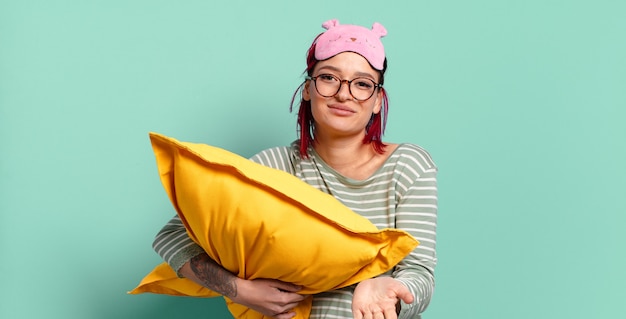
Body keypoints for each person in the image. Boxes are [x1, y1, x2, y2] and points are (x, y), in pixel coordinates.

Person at [152, 19, 438, 319]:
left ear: (378, 100)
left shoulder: (408, 166)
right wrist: (241, 290)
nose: (344, 94)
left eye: (363, 83)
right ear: (307, 89)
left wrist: (387, 289)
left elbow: (419, 276)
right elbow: (171, 236)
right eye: (329, 78)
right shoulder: (274, 166)